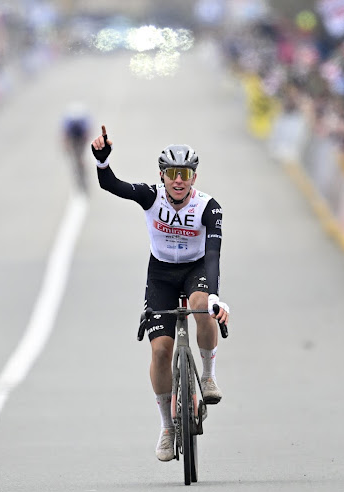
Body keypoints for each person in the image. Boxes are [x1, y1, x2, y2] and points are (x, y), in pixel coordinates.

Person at [91, 125, 230, 462]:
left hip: (196, 270)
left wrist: (214, 298)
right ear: (162, 175)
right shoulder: (151, 196)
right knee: (161, 351)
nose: (178, 180)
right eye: (172, 173)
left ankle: (208, 377)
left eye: (184, 174)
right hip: (162, 275)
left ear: (193, 177)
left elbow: (212, 256)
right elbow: (112, 184)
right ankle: (167, 428)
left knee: (201, 306)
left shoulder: (209, 207)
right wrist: (103, 161)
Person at [62, 102, 91, 193]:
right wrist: (66, 146)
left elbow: (87, 134)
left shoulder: (84, 121)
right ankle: (78, 172)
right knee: (74, 156)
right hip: (72, 136)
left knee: (80, 156)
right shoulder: (68, 122)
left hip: (81, 136)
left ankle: (82, 167)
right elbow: (64, 136)